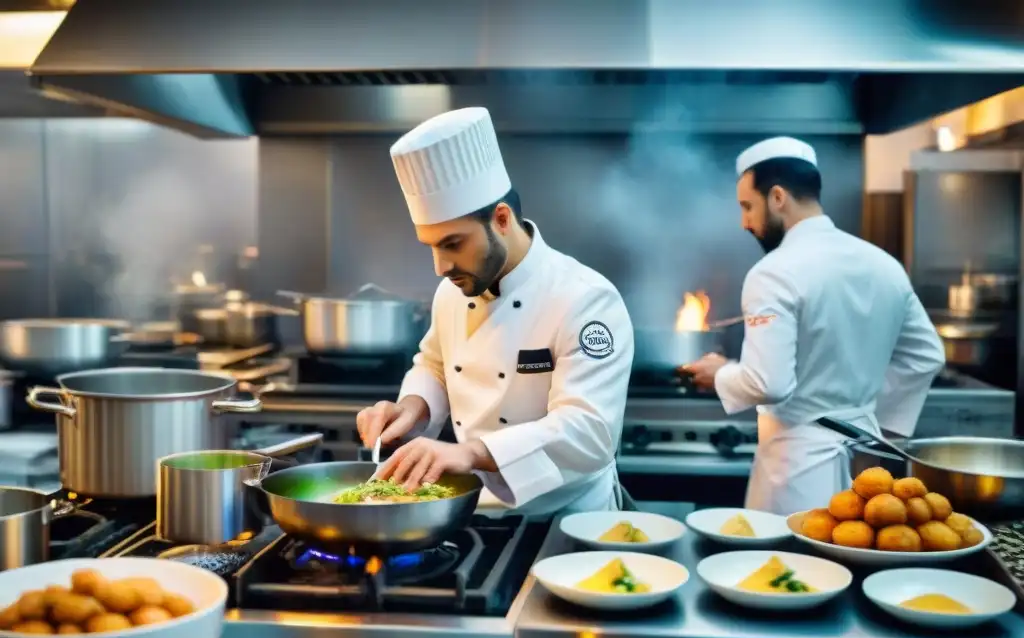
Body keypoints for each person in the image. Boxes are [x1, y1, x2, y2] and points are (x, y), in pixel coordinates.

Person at [357, 107, 635, 516]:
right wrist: (412, 408)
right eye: (431, 247)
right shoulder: (451, 290)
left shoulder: (586, 299)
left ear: (501, 219)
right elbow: (434, 364)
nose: (440, 267)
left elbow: (589, 433)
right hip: (481, 510)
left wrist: (470, 453)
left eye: (452, 244)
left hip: (569, 516)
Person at [685, 137, 945, 516]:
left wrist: (720, 374)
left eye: (747, 207)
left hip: (798, 472)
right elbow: (926, 356)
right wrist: (873, 424)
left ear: (777, 197)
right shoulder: (883, 263)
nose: (744, 223)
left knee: (790, 570)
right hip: (867, 468)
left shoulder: (773, 271)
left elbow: (768, 382)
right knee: (852, 568)